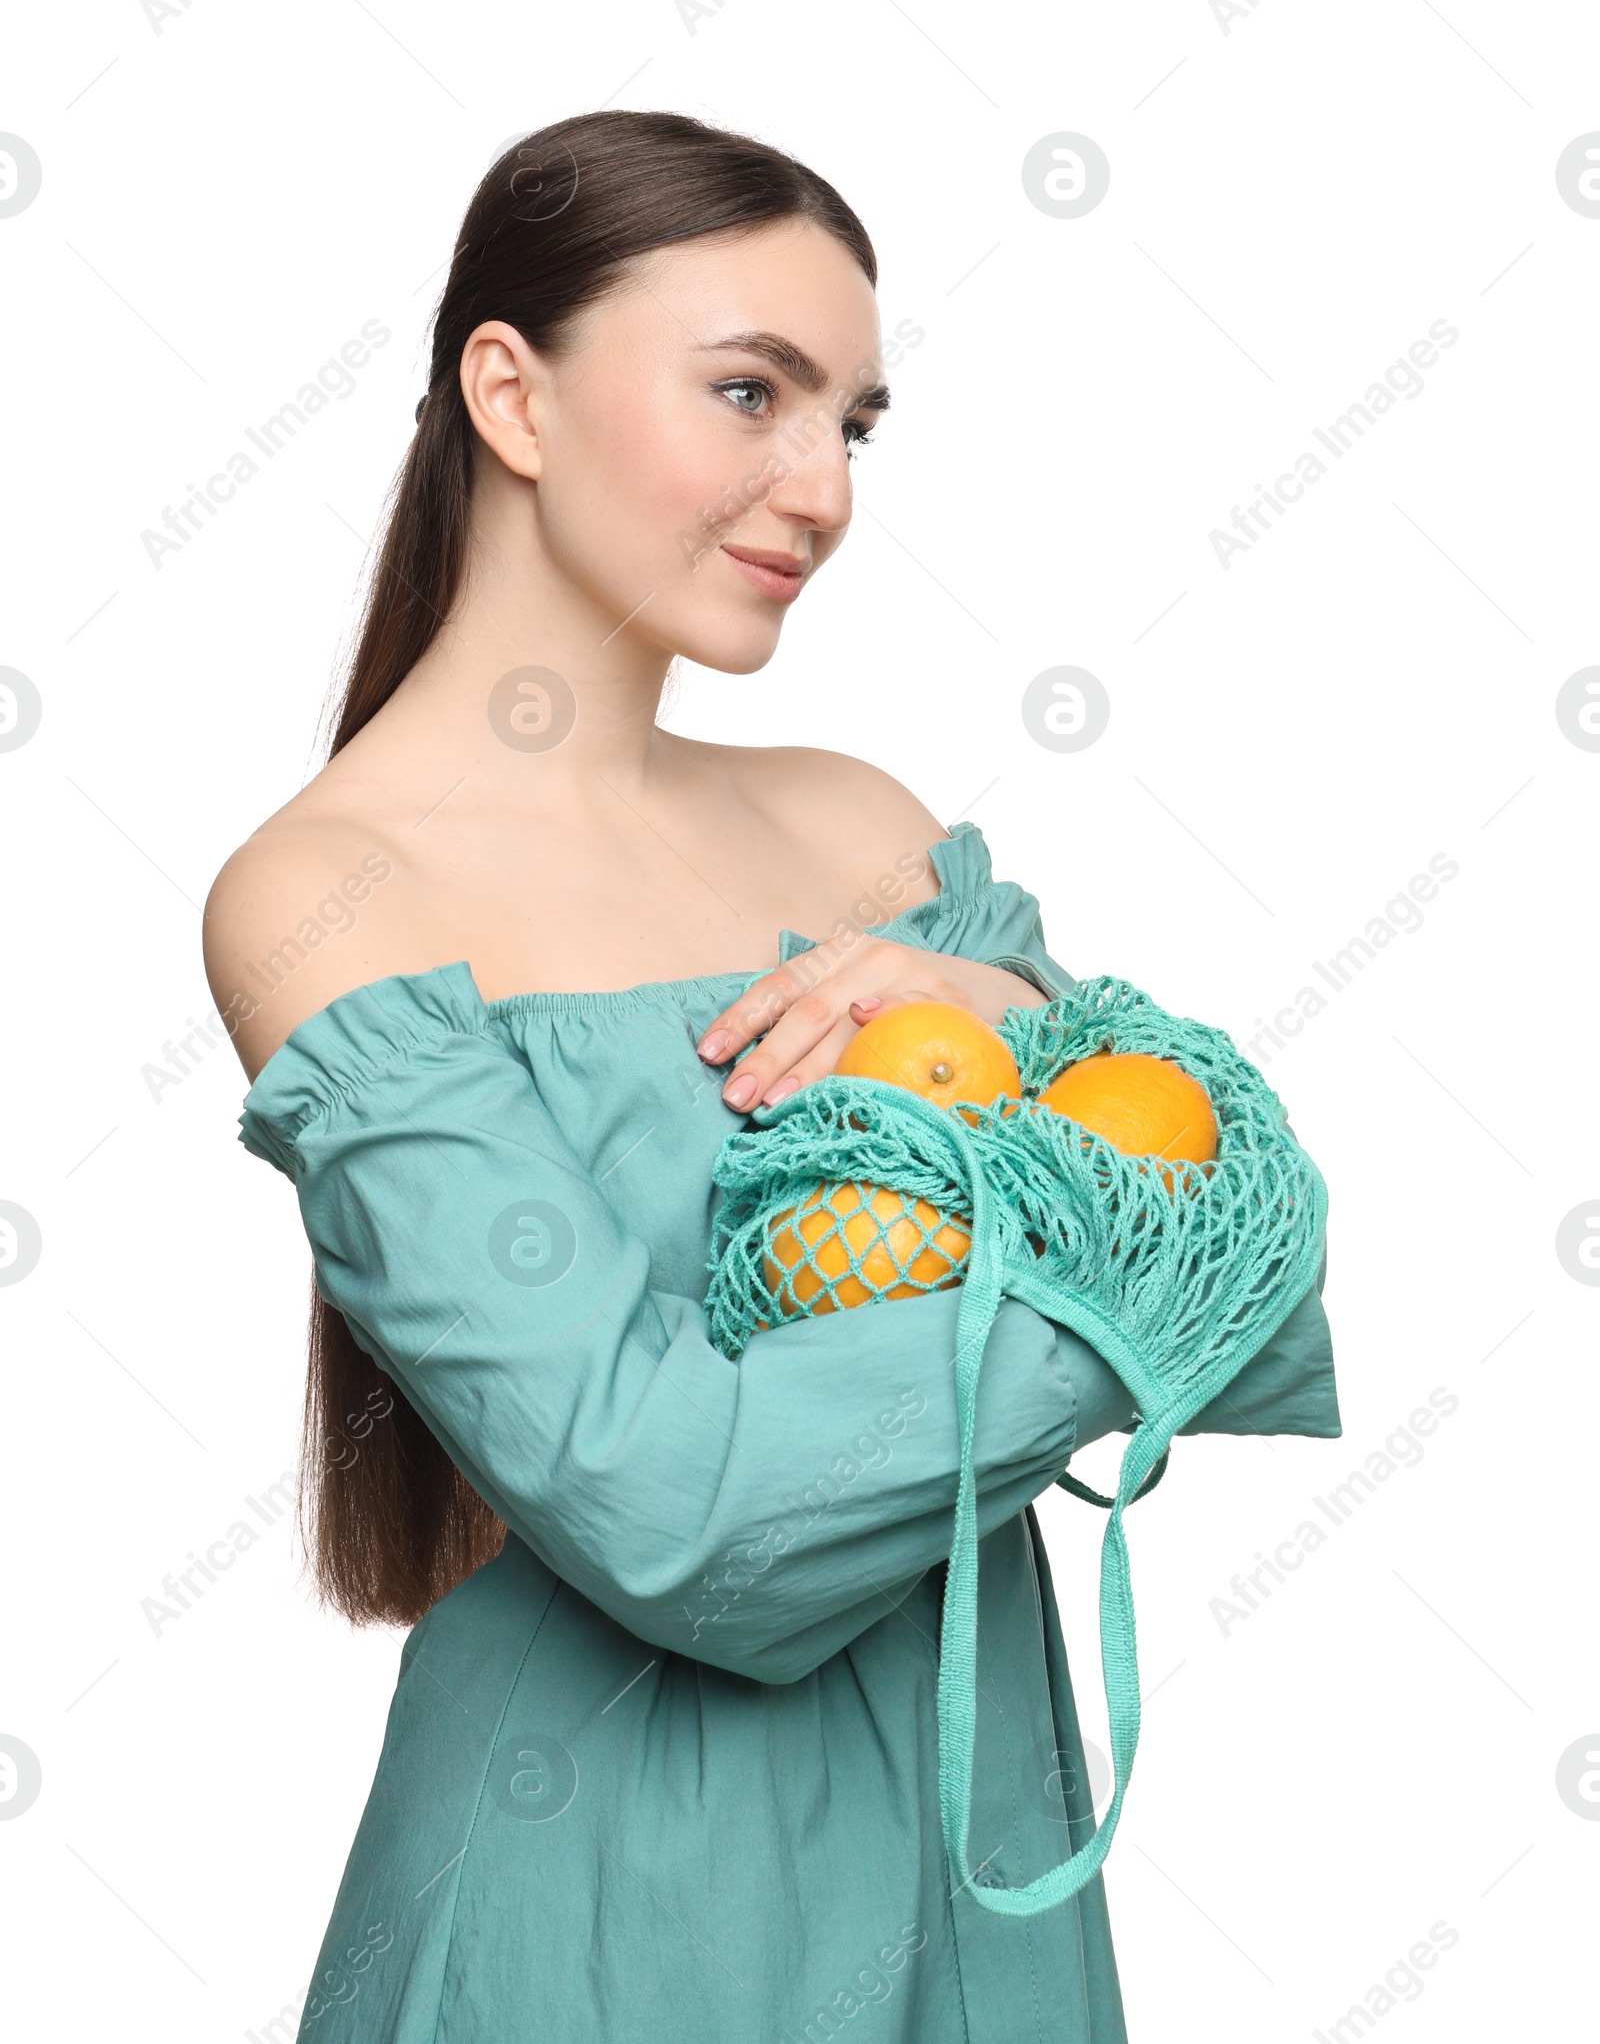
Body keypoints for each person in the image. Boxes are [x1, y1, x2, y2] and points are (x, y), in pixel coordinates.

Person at [205, 109, 1338, 2044]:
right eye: (752, 391)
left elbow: (1280, 1300)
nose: (818, 486)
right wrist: (1116, 1276)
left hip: (985, 1877)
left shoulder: (868, 835)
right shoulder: (331, 896)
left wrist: (1093, 1157)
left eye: (856, 423)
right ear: (514, 392)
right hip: (605, 1918)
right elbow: (690, 1524)